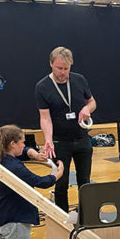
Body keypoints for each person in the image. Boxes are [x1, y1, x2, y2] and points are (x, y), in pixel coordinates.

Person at [35, 46, 96, 212]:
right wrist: (48, 140)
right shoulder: (42, 87)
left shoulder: (79, 80)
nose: (63, 72)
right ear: (51, 64)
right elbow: (45, 117)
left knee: (85, 181)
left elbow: (92, 102)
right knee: (61, 184)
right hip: (59, 142)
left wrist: (87, 109)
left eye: (66, 69)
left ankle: (86, 216)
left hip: (82, 139)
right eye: (59, 68)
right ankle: (63, 219)